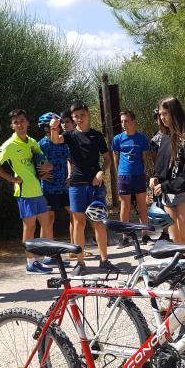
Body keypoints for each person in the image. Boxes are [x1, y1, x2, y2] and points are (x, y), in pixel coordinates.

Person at [49, 102, 117, 275]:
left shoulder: (97, 136)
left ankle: (104, 260)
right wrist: (54, 128)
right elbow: (55, 141)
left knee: (98, 222)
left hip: (95, 185)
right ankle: (81, 263)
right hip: (76, 185)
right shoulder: (70, 135)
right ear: (73, 118)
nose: (79, 118)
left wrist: (102, 172)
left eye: (82, 115)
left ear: (88, 114)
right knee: (79, 223)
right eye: (76, 116)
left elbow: (108, 158)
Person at [0, 110, 55, 274]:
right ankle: (31, 263)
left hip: (37, 190)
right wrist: (11, 179)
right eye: (16, 122)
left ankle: (47, 257)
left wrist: (47, 166)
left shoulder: (32, 141)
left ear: (28, 123)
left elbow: (43, 162)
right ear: (12, 126)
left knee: (47, 223)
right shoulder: (9, 145)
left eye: (22, 121)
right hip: (24, 192)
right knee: (29, 227)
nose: (20, 124)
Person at [151, 97, 185, 263]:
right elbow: (162, 165)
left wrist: (166, 185)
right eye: (160, 114)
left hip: (183, 192)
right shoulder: (166, 137)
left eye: (165, 113)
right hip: (168, 194)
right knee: (177, 240)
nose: (162, 118)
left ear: (175, 112)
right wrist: (155, 178)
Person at [112, 110, 151, 247]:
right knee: (125, 206)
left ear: (134, 122)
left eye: (126, 121)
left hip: (139, 175)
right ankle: (125, 236)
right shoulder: (117, 139)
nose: (124, 124)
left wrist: (142, 171)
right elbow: (115, 157)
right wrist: (119, 174)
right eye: (122, 121)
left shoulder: (142, 139)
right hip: (124, 177)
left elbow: (144, 158)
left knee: (142, 207)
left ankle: (145, 235)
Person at [37, 112, 72, 251]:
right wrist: (39, 175)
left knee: (75, 215)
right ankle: (47, 253)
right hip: (48, 188)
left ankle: (73, 249)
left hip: (64, 186)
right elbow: (33, 165)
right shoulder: (40, 145)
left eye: (56, 126)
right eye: (51, 126)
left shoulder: (63, 142)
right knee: (48, 220)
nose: (55, 128)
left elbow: (69, 160)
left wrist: (70, 175)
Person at [149, 108, 172, 242]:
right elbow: (155, 160)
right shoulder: (154, 139)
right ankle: (165, 231)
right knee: (161, 205)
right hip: (161, 175)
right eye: (158, 117)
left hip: (174, 176)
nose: (161, 120)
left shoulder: (174, 134)